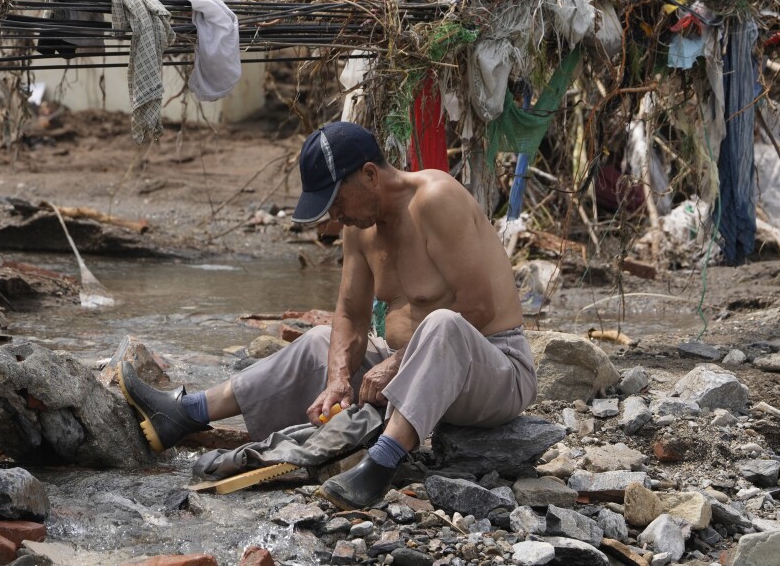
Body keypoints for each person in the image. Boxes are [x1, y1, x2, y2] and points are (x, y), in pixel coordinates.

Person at [120, 121, 537, 509]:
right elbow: (351, 316)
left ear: (370, 175)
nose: (334, 218)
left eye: (337, 201)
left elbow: (478, 308)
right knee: (321, 341)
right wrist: (338, 379)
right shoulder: (359, 229)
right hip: (415, 373)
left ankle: (380, 464)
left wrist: (395, 364)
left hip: (495, 369)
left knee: (442, 324)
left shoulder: (436, 198)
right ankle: (186, 413)